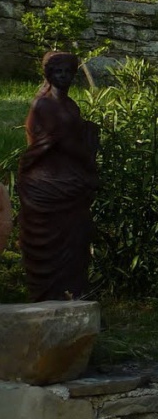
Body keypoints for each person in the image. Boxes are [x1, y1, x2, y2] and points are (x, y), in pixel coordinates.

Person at [16, 52, 100, 301]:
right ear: (48, 75)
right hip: (49, 186)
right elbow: (62, 143)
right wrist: (88, 160)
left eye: (68, 72)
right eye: (57, 72)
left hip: (69, 182)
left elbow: (73, 137)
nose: (63, 76)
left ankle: (72, 294)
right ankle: (48, 296)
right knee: (55, 247)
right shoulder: (43, 104)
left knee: (76, 243)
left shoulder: (70, 104)